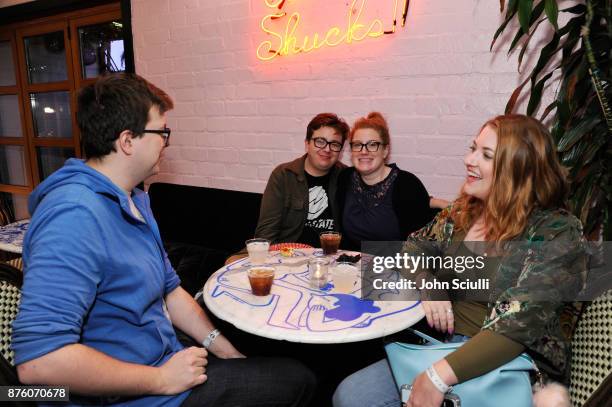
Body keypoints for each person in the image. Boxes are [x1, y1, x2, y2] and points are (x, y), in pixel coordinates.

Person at [12, 73, 315, 407]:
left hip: (166, 359)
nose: (167, 143)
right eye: (162, 133)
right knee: (298, 379)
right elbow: (39, 364)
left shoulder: (136, 198)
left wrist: (221, 346)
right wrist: (160, 380)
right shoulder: (74, 215)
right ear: (128, 141)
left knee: (266, 352)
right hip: (135, 394)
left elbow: (170, 289)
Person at [333, 114, 586, 407]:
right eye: (473, 148)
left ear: (519, 169)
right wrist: (429, 284)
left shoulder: (557, 230)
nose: (469, 159)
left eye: (486, 155)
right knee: (350, 395)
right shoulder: (463, 211)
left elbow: (518, 326)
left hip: (510, 361)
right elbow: (413, 247)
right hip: (438, 344)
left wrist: (437, 377)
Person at [226, 113, 349, 264]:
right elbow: (266, 232)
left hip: (329, 259)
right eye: (320, 141)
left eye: (335, 144)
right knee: (231, 262)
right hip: (287, 257)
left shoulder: (347, 177)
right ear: (307, 144)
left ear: (340, 150)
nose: (327, 149)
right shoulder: (283, 175)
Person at [336, 112, 446, 251]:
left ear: (385, 151)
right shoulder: (345, 178)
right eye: (358, 145)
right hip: (351, 266)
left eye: (372, 145)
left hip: (396, 267)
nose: (364, 151)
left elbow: (421, 248)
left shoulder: (406, 185)